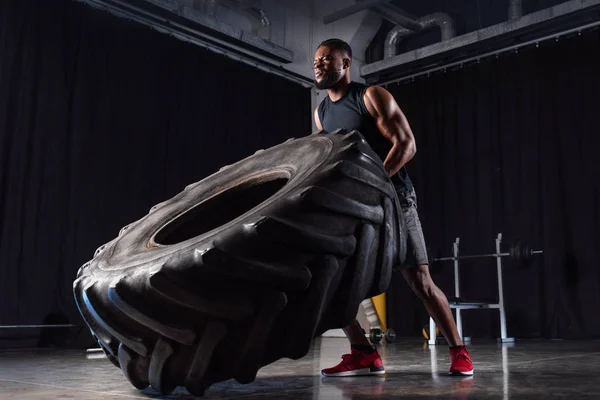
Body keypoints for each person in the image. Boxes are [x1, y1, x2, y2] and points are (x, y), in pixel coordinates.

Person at [313, 38, 474, 377]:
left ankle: (459, 350)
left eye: (327, 58)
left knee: (420, 281)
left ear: (346, 63)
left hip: (394, 199)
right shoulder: (322, 112)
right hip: (353, 206)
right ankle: (363, 352)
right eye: (316, 60)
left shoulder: (370, 96)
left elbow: (407, 144)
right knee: (331, 284)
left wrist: (376, 182)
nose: (319, 64)